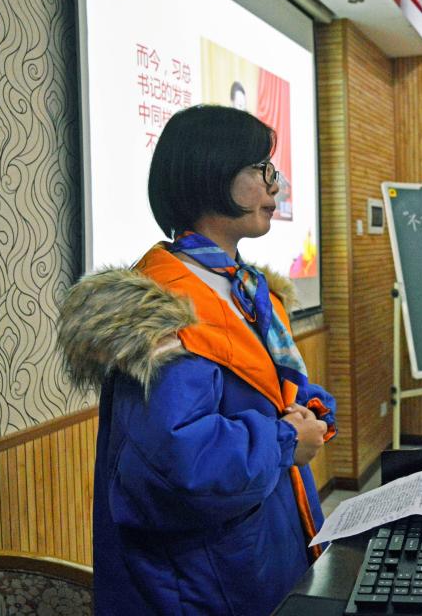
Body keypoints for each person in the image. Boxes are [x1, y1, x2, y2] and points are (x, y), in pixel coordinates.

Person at [57, 105, 337, 615]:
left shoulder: (249, 289)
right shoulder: (161, 305)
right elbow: (179, 462)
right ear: (210, 172)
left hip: (263, 544)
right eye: (261, 169)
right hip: (203, 579)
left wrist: (310, 412)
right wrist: (285, 440)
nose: (276, 186)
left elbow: (269, 393)